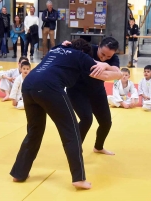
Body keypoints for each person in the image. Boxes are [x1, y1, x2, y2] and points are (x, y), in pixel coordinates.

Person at [10, 38, 122, 189]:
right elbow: (106, 76)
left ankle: (19, 172)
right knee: (71, 131)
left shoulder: (57, 48)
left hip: (29, 84)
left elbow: (63, 46)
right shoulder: (82, 56)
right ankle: (78, 178)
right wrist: (121, 75)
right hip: (49, 87)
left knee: (34, 131)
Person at [64, 37, 120, 155]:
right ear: (98, 46)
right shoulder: (88, 50)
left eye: (108, 57)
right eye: (102, 54)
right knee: (86, 119)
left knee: (106, 123)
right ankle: (75, 150)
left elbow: (117, 72)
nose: (104, 57)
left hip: (97, 91)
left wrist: (105, 65)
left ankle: (98, 147)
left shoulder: (113, 58)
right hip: (77, 90)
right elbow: (70, 49)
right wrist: (63, 45)